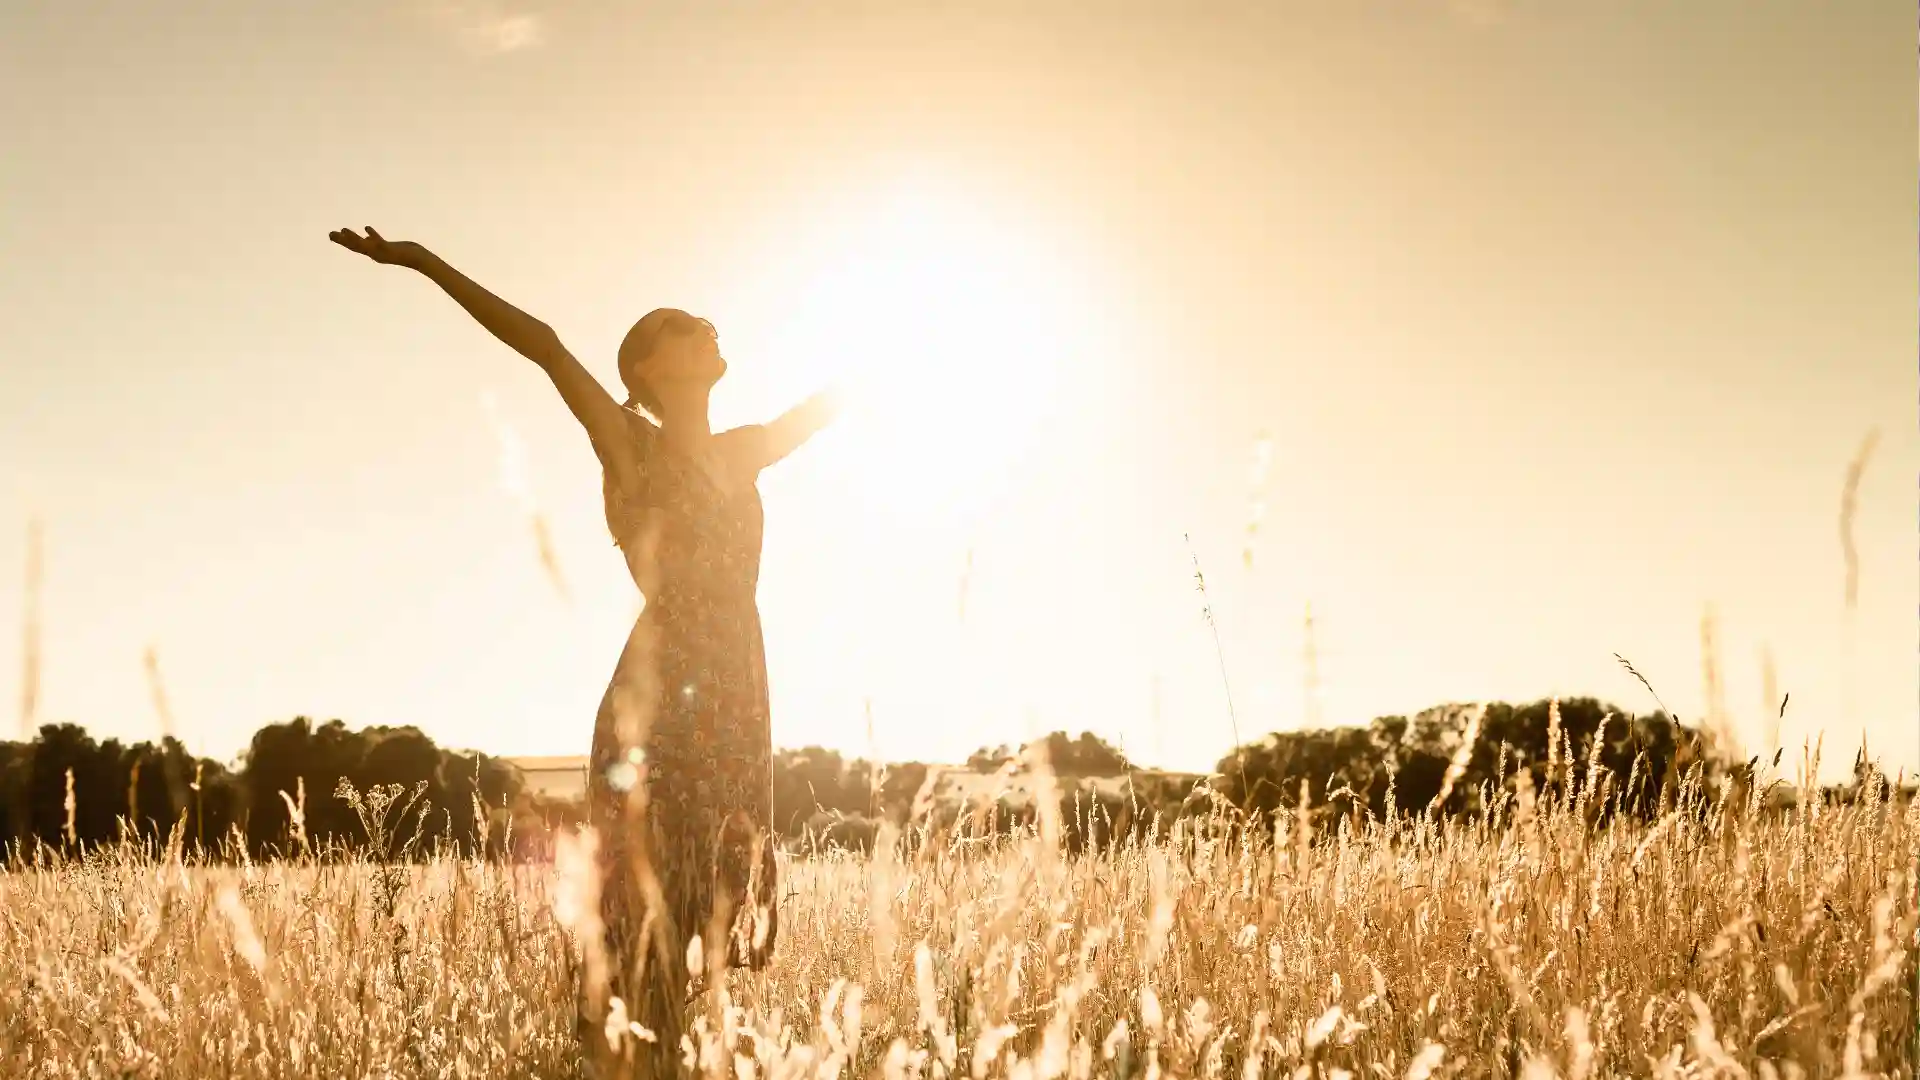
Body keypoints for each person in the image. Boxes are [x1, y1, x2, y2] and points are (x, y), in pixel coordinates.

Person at [328, 227, 835, 1073]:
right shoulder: (627, 441)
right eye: (682, 323)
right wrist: (421, 262)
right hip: (663, 689)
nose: (706, 326)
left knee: (707, 900)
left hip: (740, 687)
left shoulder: (743, 450)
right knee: (649, 909)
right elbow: (544, 346)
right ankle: (633, 1058)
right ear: (645, 368)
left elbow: (828, 407)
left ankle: (653, 1061)